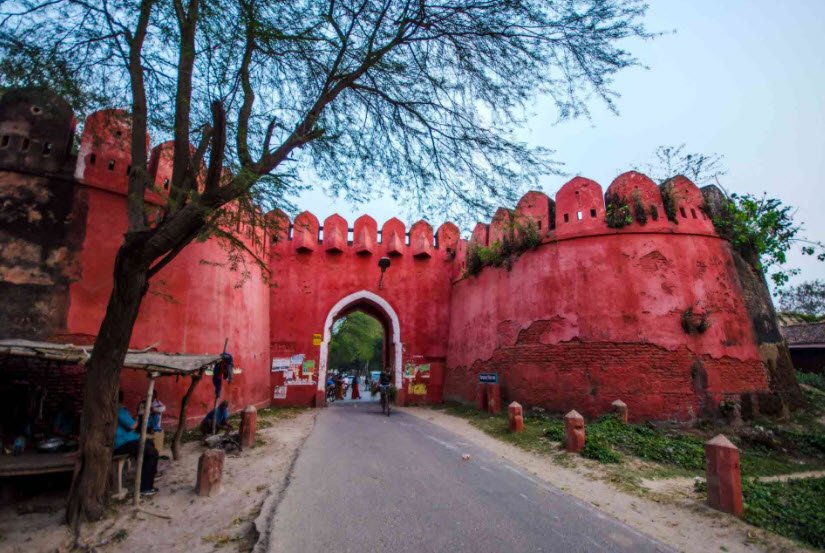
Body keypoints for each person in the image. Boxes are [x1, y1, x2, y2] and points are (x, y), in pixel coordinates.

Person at [115, 391, 159, 496]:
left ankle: (148, 475)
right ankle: (145, 487)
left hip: (127, 441)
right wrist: (139, 419)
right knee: (153, 453)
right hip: (122, 443)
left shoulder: (116, 410)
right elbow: (133, 426)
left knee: (149, 444)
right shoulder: (119, 410)